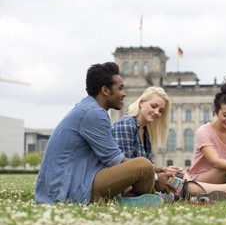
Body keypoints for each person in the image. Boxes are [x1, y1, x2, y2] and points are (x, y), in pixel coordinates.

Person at [34, 62, 169, 206]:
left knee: (145, 166)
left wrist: (154, 170)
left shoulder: (88, 108)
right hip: (66, 191)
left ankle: (134, 198)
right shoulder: (94, 113)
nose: (124, 94)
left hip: (69, 184)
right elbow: (115, 161)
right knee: (143, 165)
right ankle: (134, 198)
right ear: (105, 90)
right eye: (120, 88)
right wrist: (154, 175)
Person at [111, 86, 226, 201]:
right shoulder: (126, 124)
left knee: (178, 176)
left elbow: (146, 166)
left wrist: (163, 170)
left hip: (143, 184)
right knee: (179, 183)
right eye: (153, 106)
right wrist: (157, 177)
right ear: (141, 103)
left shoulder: (145, 131)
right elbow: (125, 171)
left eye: (161, 111)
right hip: (131, 190)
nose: (157, 113)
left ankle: (205, 194)